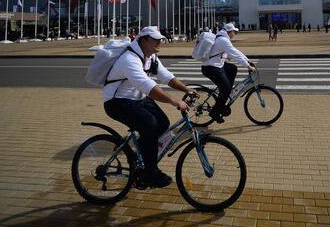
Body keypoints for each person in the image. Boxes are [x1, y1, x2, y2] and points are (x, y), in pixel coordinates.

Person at [103, 26, 194, 188]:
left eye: (161, 39)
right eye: (156, 39)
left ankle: (141, 155)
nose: (160, 42)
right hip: (116, 101)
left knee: (163, 124)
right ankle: (150, 173)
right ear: (143, 40)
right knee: (150, 125)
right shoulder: (129, 58)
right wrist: (174, 101)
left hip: (137, 99)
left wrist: (186, 89)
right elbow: (147, 86)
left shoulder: (150, 57)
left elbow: (167, 76)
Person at [201, 23, 256, 123]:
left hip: (218, 65)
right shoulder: (223, 40)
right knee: (225, 88)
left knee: (232, 68)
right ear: (229, 31)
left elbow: (236, 51)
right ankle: (215, 112)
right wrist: (247, 66)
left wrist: (247, 61)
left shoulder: (222, 38)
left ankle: (226, 93)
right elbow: (235, 54)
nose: (234, 33)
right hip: (211, 68)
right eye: (234, 32)